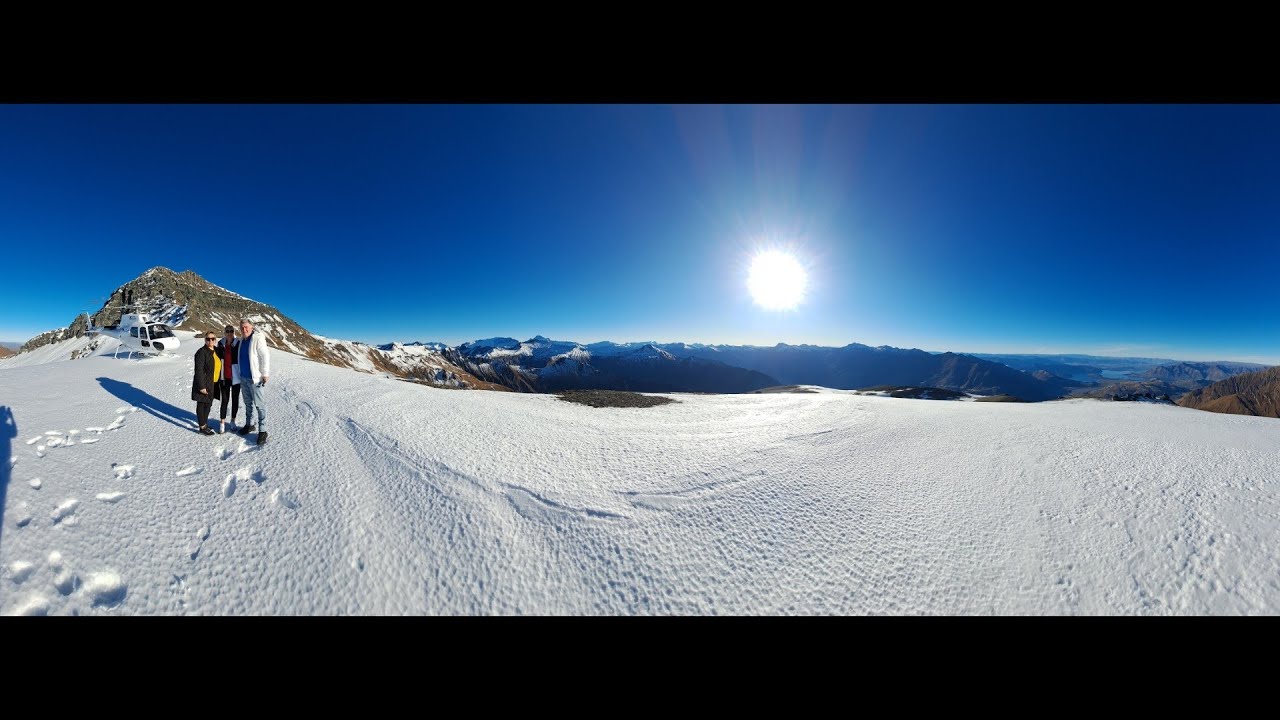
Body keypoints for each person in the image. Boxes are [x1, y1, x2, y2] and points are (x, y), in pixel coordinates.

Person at [236, 318, 271, 445]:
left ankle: (263, 430)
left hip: (255, 379)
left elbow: (264, 355)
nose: (244, 329)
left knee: (259, 405)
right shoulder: (241, 341)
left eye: (246, 327)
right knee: (247, 403)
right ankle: (249, 424)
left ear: (251, 327)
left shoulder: (257, 338)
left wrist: (265, 373)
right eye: (242, 328)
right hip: (244, 378)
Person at [191, 332, 222, 436]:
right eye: (208, 339)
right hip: (204, 383)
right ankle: (202, 426)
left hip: (214, 382)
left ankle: (205, 423)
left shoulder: (217, 350)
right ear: (205, 340)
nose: (210, 341)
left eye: (213, 339)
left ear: (215, 340)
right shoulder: (201, 352)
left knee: (208, 404)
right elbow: (198, 370)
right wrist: (201, 386)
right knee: (201, 404)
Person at [215, 325, 241, 434]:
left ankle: (233, 421)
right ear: (224, 332)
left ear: (234, 332)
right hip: (224, 377)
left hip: (236, 377)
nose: (229, 333)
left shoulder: (238, 343)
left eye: (231, 331)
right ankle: (222, 422)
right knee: (225, 400)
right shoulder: (221, 344)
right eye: (227, 331)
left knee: (235, 400)